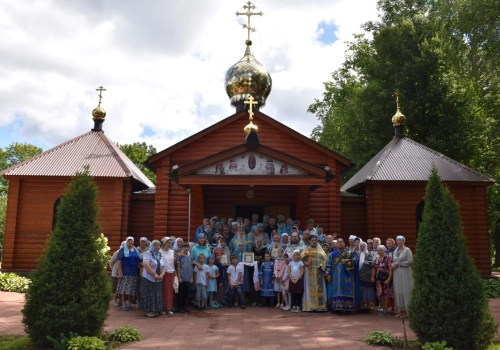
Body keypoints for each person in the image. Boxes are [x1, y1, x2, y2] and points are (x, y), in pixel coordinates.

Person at [326, 238, 358, 313]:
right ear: (336, 244)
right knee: (336, 291)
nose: (340, 243)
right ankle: (336, 307)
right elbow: (328, 264)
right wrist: (328, 274)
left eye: (341, 242)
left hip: (347, 276)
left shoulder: (349, 253)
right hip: (335, 277)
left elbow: (356, 260)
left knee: (347, 291)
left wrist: (346, 261)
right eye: (338, 242)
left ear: (344, 243)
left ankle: (347, 308)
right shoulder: (332, 254)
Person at [139, 240, 167, 317]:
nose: (157, 247)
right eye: (155, 245)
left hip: (158, 278)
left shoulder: (161, 255)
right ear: (152, 246)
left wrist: (161, 275)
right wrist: (154, 274)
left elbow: (165, 266)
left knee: (157, 294)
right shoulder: (148, 253)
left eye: (158, 245)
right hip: (149, 278)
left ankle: (156, 309)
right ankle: (150, 310)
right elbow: (146, 264)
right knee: (150, 294)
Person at [301, 234, 328, 312]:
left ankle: (320, 306)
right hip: (309, 272)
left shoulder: (320, 250)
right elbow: (302, 258)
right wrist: (306, 263)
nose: (314, 241)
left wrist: (321, 266)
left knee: (320, 288)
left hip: (319, 272)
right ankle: (310, 306)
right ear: (309, 241)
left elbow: (325, 260)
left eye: (315, 240)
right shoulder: (306, 250)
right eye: (312, 240)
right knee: (309, 289)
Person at [116, 236, 143, 311]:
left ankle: (130, 304)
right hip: (125, 272)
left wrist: (142, 269)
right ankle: (124, 304)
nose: (130, 242)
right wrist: (120, 272)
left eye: (132, 241)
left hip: (134, 272)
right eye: (129, 241)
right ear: (126, 242)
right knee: (124, 289)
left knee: (131, 289)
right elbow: (119, 261)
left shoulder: (136, 250)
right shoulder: (122, 250)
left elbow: (140, 261)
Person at [391, 236, 414, 318]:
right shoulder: (396, 250)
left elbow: (410, 261)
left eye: (400, 240)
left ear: (403, 241)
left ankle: (408, 311)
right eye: (397, 240)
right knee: (399, 290)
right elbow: (393, 260)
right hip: (397, 272)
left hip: (405, 272)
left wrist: (399, 264)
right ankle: (401, 311)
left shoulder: (407, 250)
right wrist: (393, 265)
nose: (398, 241)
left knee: (405, 289)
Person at [372, 245, 393, 316]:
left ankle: (386, 310)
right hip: (379, 279)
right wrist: (373, 277)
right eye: (377, 250)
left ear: (384, 250)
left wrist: (389, 279)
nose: (379, 252)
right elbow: (374, 268)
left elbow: (390, 269)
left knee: (386, 294)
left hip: (386, 279)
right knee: (380, 294)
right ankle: (383, 309)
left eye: (380, 250)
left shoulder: (388, 258)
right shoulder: (377, 258)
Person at [359, 241, 376, 314]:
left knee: (368, 291)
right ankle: (362, 307)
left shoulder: (369, 255)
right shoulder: (357, 254)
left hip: (367, 277)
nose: (362, 248)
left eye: (363, 246)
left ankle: (368, 307)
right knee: (361, 291)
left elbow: (373, 266)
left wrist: (372, 276)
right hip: (360, 276)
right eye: (361, 246)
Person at [160, 236, 176, 315]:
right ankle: (163, 308)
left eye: (170, 243)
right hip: (163, 273)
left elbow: (173, 263)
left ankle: (168, 308)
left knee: (170, 292)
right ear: (164, 243)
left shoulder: (172, 252)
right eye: (168, 243)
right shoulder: (160, 251)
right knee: (163, 291)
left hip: (171, 272)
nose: (169, 244)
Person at [177, 243, 193, 314]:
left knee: (186, 293)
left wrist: (191, 277)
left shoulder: (190, 257)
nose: (186, 248)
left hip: (188, 277)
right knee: (181, 292)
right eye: (185, 247)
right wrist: (179, 277)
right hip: (182, 277)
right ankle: (179, 307)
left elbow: (191, 267)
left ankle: (184, 306)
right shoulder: (180, 257)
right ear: (182, 248)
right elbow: (178, 267)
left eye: (187, 247)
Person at [109, 241, 126, 307]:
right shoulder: (118, 252)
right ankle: (115, 300)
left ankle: (120, 300)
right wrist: (113, 269)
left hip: (123, 273)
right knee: (115, 287)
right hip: (116, 273)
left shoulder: (127, 253)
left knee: (121, 287)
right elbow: (111, 262)